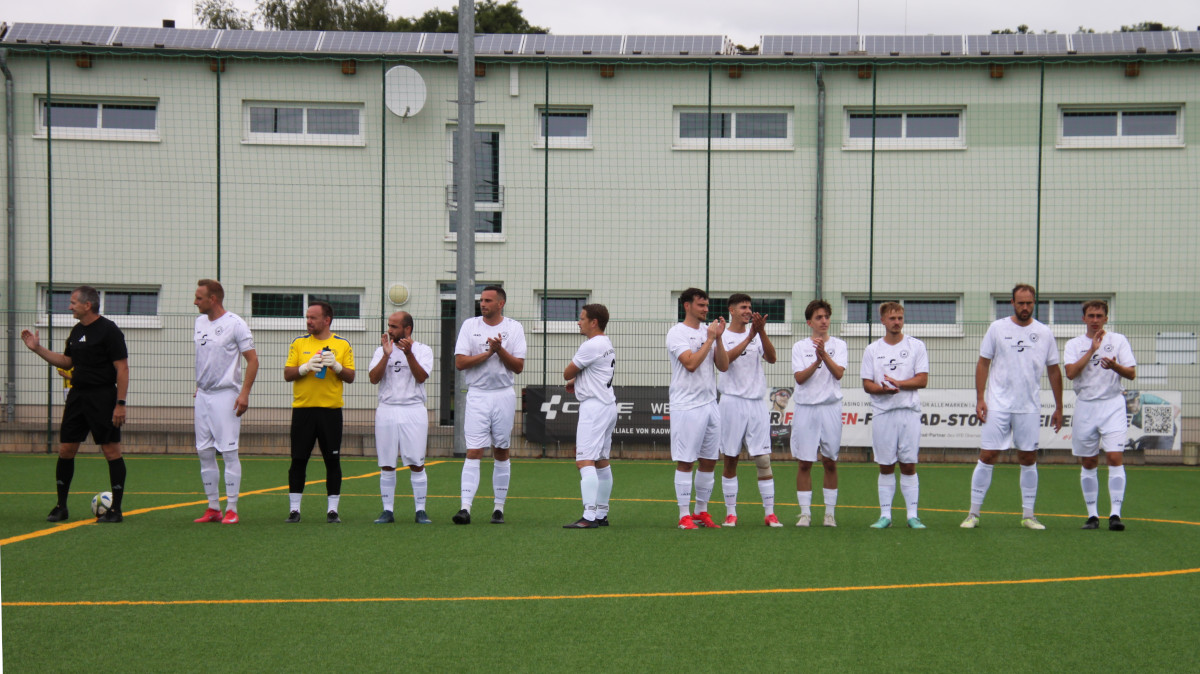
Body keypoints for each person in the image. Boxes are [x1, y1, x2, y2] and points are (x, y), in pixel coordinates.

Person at [21, 285, 129, 523]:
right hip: (77, 397)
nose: (69, 306)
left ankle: (116, 510)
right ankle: (61, 507)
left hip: (103, 397)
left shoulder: (109, 330)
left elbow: (122, 368)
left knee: (111, 451)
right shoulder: (77, 330)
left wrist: (120, 403)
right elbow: (67, 361)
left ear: (87, 305)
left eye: (73, 302)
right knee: (66, 450)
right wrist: (37, 349)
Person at [962, 284, 1063, 530]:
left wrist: (1059, 406)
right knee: (988, 455)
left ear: (1034, 303)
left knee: (1028, 458)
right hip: (997, 404)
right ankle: (973, 514)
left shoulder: (1044, 332)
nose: (1025, 307)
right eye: (1021, 303)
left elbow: (1053, 370)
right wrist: (980, 398)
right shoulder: (997, 328)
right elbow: (983, 363)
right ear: (1012, 303)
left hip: (1028, 406)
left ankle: (1029, 515)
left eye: (1029, 303)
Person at [452, 285, 526, 525]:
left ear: (500, 304)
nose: (482, 304)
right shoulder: (469, 326)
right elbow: (460, 363)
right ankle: (465, 508)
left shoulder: (514, 328)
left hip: (503, 395)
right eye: (481, 300)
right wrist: (487, 354)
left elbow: (518, 366)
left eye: (488, 300)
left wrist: (499, 350)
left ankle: (498, 508)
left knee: (501, 450)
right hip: (477, 395)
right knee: (474, 450)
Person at [1063, 300, 1136, 531]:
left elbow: (1131, 373)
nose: (1095, 320)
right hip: (1086, 406)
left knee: (1114, 457)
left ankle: (1115, 514)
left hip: (1113, 405)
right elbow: (1070, 373)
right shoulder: (1074, 344)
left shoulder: (1118, 340)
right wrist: (1092, 350)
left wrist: (1115, 366)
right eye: (1091, 316)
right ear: (1083, 318)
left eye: (1099, 316)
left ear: (1106, 318)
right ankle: (1092, 516)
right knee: (1089, 461)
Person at [192, 279, 258, 525]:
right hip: (203, 395)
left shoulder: (235, 324)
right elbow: (205, 358)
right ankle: (213, 508)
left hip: (226, 395)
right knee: (204, 452)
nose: (195, 302)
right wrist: (200, 385)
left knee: (229, 452)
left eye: (199, 298)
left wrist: (244, 393)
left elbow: (253, 360)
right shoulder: (199, 322)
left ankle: (231, 508)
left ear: (213, 299)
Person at [283, 300, 355, 523]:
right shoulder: (299, 343)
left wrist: (337, 367)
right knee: (298, 460)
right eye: (307, 317)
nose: (308, 321)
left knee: (332, 460)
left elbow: (351, 376)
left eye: (313, 317)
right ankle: (294, 510)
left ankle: (332, 511)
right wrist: (304, 368)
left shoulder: (342, 344)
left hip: (330, 412)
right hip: (303, 410)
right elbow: (287, 374)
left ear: (327, 320)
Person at [860, 302, 929, 530]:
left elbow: (922, 379)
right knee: (886, 465)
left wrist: (898, 383)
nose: (897, 322)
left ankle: (912, 516)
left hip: (909, 413)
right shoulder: (872, 349)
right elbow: (867, 384)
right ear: (883, 321)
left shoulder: (916, 346)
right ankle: (885, 516)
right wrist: (884, 390)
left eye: (900, 318)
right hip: (883, 413)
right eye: (892, 318)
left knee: (908, 465)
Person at [666, 288, 729, 529]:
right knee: (686, 461)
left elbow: (723, 366)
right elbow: (690, 363)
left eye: (707, 305)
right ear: (687, 306)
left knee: (709, 460)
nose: (706, 309)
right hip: (687, 405)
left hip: (710, 403)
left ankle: (701, 511)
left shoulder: (708, 332)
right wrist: (711, 339)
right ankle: (684, 515)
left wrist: (718, 338)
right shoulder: (677, 332)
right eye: (701, 305)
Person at [717, 294, 781, 528]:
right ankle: (731, 513)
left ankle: (770, 513)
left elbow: (772, 358)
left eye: (749, 307)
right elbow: (724, 363)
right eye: (743, 307)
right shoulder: (722, 335)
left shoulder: (756, 333)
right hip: (732, 402)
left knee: (763, 459)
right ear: (732, 310)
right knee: (730, 458)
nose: (748, 311)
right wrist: (750, 337)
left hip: (756, 403)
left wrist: (760, 332)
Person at [368, 311, 434, 525]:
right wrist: (386, 355)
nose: (389, 330)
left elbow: (421, 377)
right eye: (389, 326)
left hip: (413, 409)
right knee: (387, 463)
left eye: (394, 327)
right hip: (387, 409)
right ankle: (387, 510)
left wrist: (409, 354)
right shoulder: (381, 350)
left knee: (416, 462)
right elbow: (373, 378)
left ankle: (420, 511)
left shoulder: (423, 350)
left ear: (407, 329)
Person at [790, 300, 847, 527]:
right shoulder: (799, 347)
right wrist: (816, 360)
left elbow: (839, 373)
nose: (824, 321)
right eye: (818, 318)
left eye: (826, 317)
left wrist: (825, 355)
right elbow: (800, 378)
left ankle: (829, 514)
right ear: (809, 322)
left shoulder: (839, 345)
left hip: (830, 408)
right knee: (805, 462)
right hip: (806, 409)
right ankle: (805, 513)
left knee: (830, 461)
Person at [562, 304, 617, 529]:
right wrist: (579, 381)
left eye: (582, 318)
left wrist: (573, 377)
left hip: (594, 408)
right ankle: (601, 513)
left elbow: (567, 372)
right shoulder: (606, 343)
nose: (579, 322)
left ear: (594, 322)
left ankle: (589, 516)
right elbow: (596, 372)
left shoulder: (591, 345)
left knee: (584, 461)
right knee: (601, 462)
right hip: (607, 405)